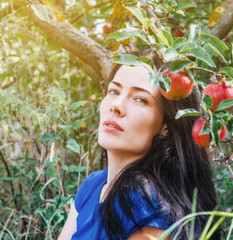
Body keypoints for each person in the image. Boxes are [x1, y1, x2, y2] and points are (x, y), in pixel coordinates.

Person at [58, 50, 221, 240]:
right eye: (114, 91)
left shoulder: (143, 203)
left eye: (140, 99)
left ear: (165, 126)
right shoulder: (94, 184)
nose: (116, 105)